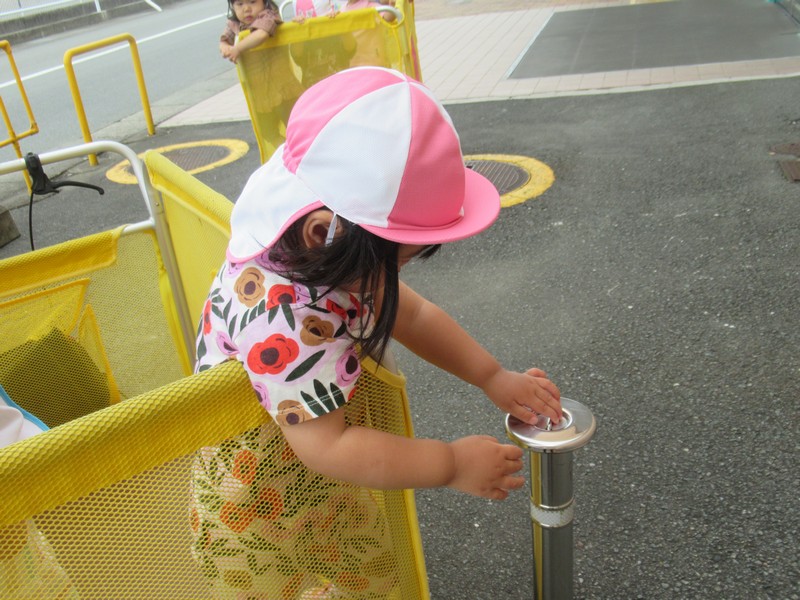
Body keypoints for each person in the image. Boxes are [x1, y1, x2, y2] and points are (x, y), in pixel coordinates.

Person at [191, 66, 562, 597]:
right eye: (399, 260)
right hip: (253, 509)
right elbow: (329, 447)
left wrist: (492, 376)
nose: (396, 277)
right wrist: (451, 463)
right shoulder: (284, 322)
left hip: (323, 486)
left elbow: (412, 315)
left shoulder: (319, 245)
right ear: (325, 232)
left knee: (373, 581)